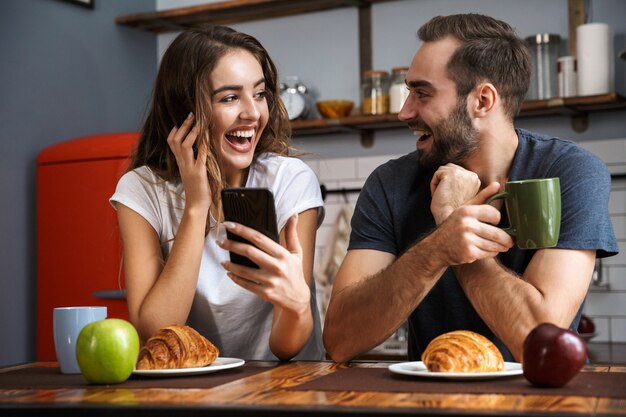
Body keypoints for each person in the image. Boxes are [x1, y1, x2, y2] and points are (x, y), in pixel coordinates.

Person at [323, 13, 617, 363]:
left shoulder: (571, 172)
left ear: (482, 101)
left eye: (421, 93)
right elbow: (339, 340)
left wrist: (455, 232)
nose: (404, 112)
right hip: (428, 401)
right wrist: (438, 249)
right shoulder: (390, 184)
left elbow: (535, 340)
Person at [110, 25, 325, 361]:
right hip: (189, 389)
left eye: (259, 93)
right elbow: (154, 331)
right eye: (229, 97)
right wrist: (196, 206)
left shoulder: (289, 180)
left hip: (281, 385)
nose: (253, 113)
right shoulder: (141, 190)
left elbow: (286, 349)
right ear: (185, 112)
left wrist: (298, 304)